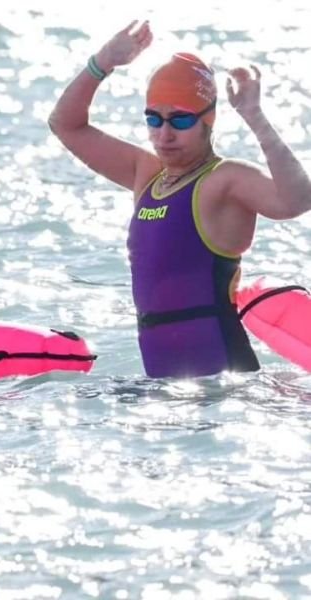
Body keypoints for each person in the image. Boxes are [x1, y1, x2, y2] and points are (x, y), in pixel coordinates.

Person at [48, 21, 311, 378]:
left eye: (180, 121)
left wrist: (254, 116)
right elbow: (66, 124)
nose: (164, 134)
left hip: (222, 385)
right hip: (167, 389)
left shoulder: (224, 180)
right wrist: (103, 62)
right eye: (154, 119)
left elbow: (297, 200)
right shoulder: (147, 175)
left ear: (208, 120)